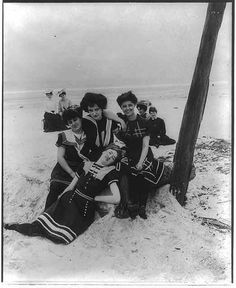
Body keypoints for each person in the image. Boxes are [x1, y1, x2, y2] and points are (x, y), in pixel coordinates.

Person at [4, 144, 123, 245]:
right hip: (69, 199)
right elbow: (72, 186)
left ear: (112, 162)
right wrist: (59, 200)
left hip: (83, 209)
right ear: (105, 151)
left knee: (60, 238)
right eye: (110, 152)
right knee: (38, 227)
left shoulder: (109, 173)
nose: (110, 156)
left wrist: (96, 198)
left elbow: (116, 198)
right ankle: (13, 226)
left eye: (113, 157)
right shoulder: (86, 164)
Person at [115, 91, 165, 219]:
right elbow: (105, 113)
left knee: (142, 172)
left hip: (144, 153)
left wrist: (141, 162)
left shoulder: (144, 122)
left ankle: (142, 206)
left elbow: (145, 145)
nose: (127, 108)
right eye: (124, 106)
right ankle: (128, 203)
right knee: (123, 171)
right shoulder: (121, 122)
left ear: (135, 105)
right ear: (121, 108)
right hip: (129, 153)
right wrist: (121, 120)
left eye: (130, 105)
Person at [44, 106, 91, 209]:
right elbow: (60, 157)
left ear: (80, 119)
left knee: (74, 193)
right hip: (64, 169)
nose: (74, 123)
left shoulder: (89, 134)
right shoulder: (64, 135)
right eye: (70, 122)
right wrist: (71, 173)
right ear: (67, 124)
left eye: (75, 119)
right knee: (55, 188)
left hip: (80, 169)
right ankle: (46, 213)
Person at [80, 92, 125, 161]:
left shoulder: (110, 120)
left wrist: (121, 122)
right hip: (92, 153)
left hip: (109, 151)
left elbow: (120, 136)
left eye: (97, 109)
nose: (94, 113)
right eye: (91, 110)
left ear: (102, 108)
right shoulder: (86, 121)